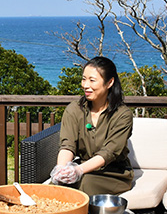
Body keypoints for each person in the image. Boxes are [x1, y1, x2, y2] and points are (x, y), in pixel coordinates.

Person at [51, 56, 134, 196]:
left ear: (109, 83)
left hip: (113, 173)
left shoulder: (122, 115)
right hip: (84, 167)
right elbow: (67, 145)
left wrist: (78, 171)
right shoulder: (74, 109)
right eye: (84, 79)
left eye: (92, 80)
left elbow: (109, 153)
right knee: (56, 187)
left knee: (85, 183)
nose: (85, 85)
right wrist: (62, 169)